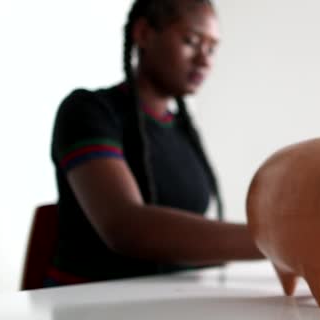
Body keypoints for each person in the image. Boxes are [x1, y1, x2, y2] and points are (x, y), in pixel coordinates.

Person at [47, 0, 263, 287]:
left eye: (212, 48)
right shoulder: (88, 111)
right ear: (144, 33)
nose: (205, 60)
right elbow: (125, 227)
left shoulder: (182, 129)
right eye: (191, 41)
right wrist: (276, 239)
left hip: (166, 301)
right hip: (88, 305)